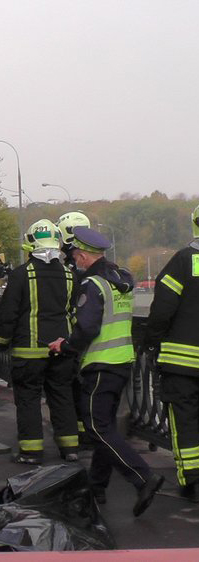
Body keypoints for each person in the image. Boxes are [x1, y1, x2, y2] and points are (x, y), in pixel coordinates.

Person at [49, 226, 164, 516]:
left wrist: (65, 346)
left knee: (97, 429)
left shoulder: (93, 285)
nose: (74, 262)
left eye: (75, 257)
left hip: (100, 365)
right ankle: (97, 486)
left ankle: (143, 478)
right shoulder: (121, 279)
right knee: (106, 426)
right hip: (123, 361)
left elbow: (88, 327)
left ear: (85, 256)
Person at [0, 219, 79, 464]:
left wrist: (0, 342)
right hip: (62, 351)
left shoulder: (21, 276)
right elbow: (73, 312)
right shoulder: (69, 275)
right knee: (62, 396)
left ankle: (31, 452)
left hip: (28, 353)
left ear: (30, 245)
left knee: (28, 400)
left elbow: (8, 314)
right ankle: (70, 448)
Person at [143, 204, 199, 500]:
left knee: (186, 420)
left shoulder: (183, 261)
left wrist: (152, 341)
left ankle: (192, 481)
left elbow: (163, 308)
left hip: (182, 363)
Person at [56, 210, 93, 447]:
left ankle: (83, 433)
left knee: (77, 388)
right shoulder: (95, 265)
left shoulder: (73, 271)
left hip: (79, 338)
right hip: (95, 340)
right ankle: (86, 432)